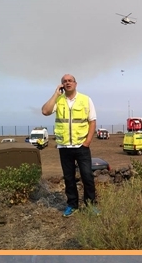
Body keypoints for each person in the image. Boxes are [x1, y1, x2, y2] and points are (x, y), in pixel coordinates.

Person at [41, 74, 96, 217]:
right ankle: (72, 205)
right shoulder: (58, 101)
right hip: (64, 147)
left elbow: (92, 121)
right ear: (62, 85)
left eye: (70, 80)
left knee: (87, 176)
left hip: (81, 146)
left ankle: (91, 205)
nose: (67, 83)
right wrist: (55, 94)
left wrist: (87, 142)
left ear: (75, 83)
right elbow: (45, 111)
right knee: (69, 178)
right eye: (64, 81)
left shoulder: (86, 99)